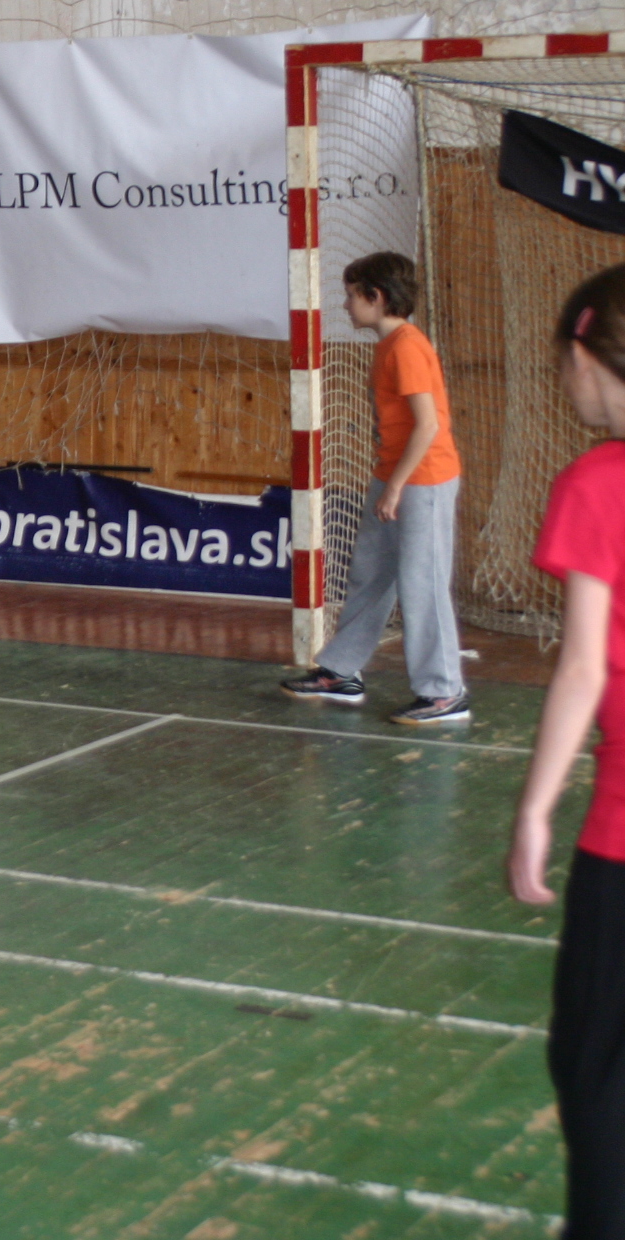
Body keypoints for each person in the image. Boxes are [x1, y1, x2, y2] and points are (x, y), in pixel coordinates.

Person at [507, 264, 625, 1239]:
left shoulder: (597, 484)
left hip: (622, 842)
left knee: (595, 1069)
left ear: (586, 355)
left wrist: (535, 809)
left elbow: (583, 668)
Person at [281, 252, 468, 725]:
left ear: (376, 296)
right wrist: (388, 480)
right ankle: (341, 671)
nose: (346, 304)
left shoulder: (406, 347)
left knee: (422, 585)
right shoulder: (388, 346)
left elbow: (427, 425)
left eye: (351, 295)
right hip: (394, 476)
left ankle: (444, 692)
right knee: (371, 573)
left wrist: (395, 487)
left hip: (422, 481)